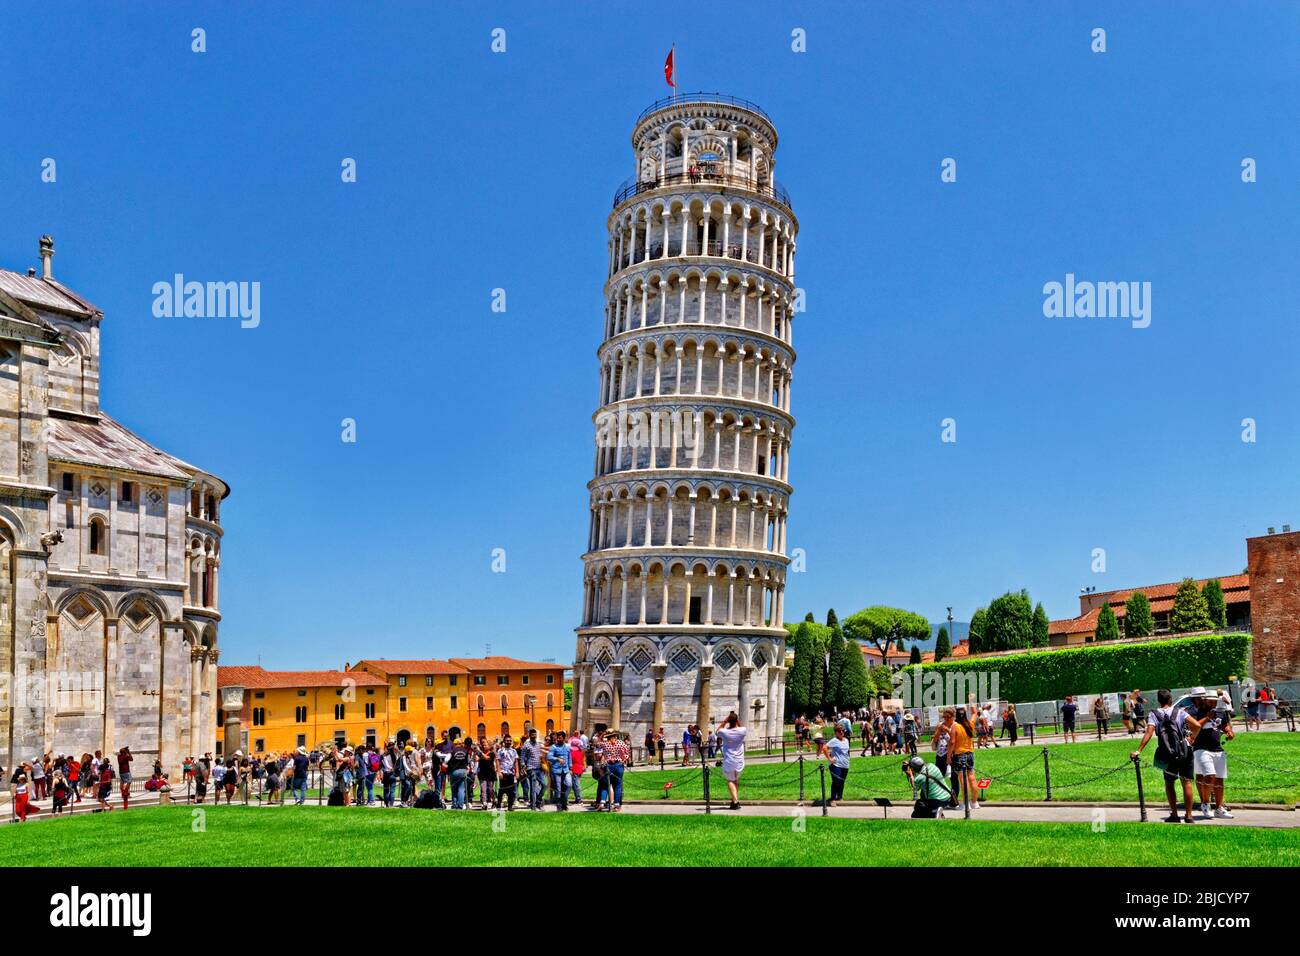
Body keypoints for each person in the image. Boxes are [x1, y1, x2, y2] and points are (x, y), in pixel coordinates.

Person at [1131, 688, 1196, 823]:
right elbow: (1196, 725)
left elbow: (1149, 732)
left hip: (1167, 753)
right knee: (1187, 782)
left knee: (1169, 783)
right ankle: (1189, 815)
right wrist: (1192, 738)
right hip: (1184, 751)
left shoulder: (1154, 714)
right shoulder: (1180, 712)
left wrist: (1139, 750)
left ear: (1159, 701)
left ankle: (1174, 814)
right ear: (1170, 700)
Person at [1186, 690, 1234, 819]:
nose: (1213, 702)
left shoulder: (1219, 711)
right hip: (1201, 748)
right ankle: (1205, 804)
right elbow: (1193, 727)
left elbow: (1224, 725)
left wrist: (1229, 731)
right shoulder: (1195, 712)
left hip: (1217, 748)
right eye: (1210, 700)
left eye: (1215, 700)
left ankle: (1219, 808)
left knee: (1219, 779)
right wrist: (1207, 717)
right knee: (1209, 775)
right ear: (1205, 700)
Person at [716, 712, 748, 810]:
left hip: (729, 759)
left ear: (729, 721)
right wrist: (736, 719)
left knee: (730, 780)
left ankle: (735, 801)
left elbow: (717, 731)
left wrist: (725, 721)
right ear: (737, 720)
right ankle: (734, 801)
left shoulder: (725, 732)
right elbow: (742, 727)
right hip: (739, 760)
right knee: (736, 780)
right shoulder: (742, 730)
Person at [949, 708, 977, 808]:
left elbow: (952, 742)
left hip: (959, 754)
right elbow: (974, 712)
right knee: (972, 779)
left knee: (963, 780)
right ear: (965, 714)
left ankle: (966, 804)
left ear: (956, 715)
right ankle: (974, 802)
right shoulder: (970, 723)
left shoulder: (955, 726)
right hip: (970, 754)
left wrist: (948, 757)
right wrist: (971, 701)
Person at [603, 729, 629, 811]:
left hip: (608, 765)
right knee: (618, 785)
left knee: (607, 784)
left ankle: (602, 802)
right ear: (615, 735)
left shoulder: (605, 744)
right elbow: (627, 752)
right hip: (618, 765)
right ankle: (617, 805)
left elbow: (602, 752)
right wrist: (623, 760)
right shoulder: (621, 743)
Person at [826, 723, 850, 807]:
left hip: (845, 765)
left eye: (842, 730)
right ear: (836, 732)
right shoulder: (834, 740)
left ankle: (839, 797)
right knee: (836, 781)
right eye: (839, 731)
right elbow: (825, 748)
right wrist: (829, 758)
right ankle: (832, 799)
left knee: (842, 782)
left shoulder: (846, 740)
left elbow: (846, 752)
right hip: (836, 765)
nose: (841, 732)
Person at [521, 729, 545, 810]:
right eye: (532, 735)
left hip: (539, 768)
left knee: (544, 785)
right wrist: (523, 767)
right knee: (533, 787)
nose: (534, 736)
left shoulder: (538, 744)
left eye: (535, 735)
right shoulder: (526, 745)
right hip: (531, 768)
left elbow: (540, 755)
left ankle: (538, 801)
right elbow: (522, 758)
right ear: (529, 735)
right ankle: (533, 806)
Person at [546, 732, 570, 810]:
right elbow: (549, 757)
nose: (558, 739)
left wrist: (571, 768)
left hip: (566, 770)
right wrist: (557, 759)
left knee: (568, 785)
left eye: (560, 738)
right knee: (558, 788)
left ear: (564, 738)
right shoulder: (553, 747)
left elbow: (569, 757)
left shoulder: (567, 746)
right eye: (557, 737)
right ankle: (559, 805)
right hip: (556, 770)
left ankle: (564, 801)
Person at [496, 735, 519, 810]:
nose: (508, 742)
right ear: (504, 741)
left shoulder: (514, 751)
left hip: (511, 773)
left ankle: (510, 806)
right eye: (507, 740)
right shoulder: (500, 750)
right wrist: (499, 772)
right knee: (502, 790)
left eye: (510, 740)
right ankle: (498, 804)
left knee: (511, 791)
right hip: (503, 773)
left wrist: (517, 772)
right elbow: (498, 761)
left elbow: (516, 762)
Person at [567, 732, 585, 805]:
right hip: (579, 768)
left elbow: (571, 761)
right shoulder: (580, 751)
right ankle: (578, 798)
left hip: (574, 769)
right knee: (575, 784)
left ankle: (579, 798)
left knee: (575, 784)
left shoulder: (572, 752)